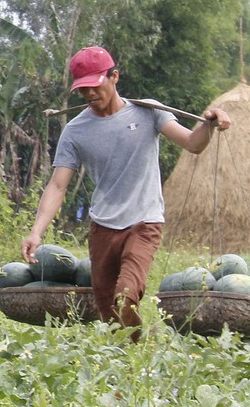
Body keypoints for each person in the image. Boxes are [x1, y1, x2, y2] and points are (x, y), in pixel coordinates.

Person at [21, 46, 229, 328]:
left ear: (114, 77)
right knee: (109, 310)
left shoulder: (149, 112)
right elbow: (58, 186)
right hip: (102, 227)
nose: (90, 94)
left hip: (144, 222)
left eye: (96, 85)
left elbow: (193, 144)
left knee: (126, 295)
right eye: (83, 89)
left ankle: (134, 344)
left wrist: (210, 124)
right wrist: (36, 231)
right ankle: (131, 349)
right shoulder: (76, 130)